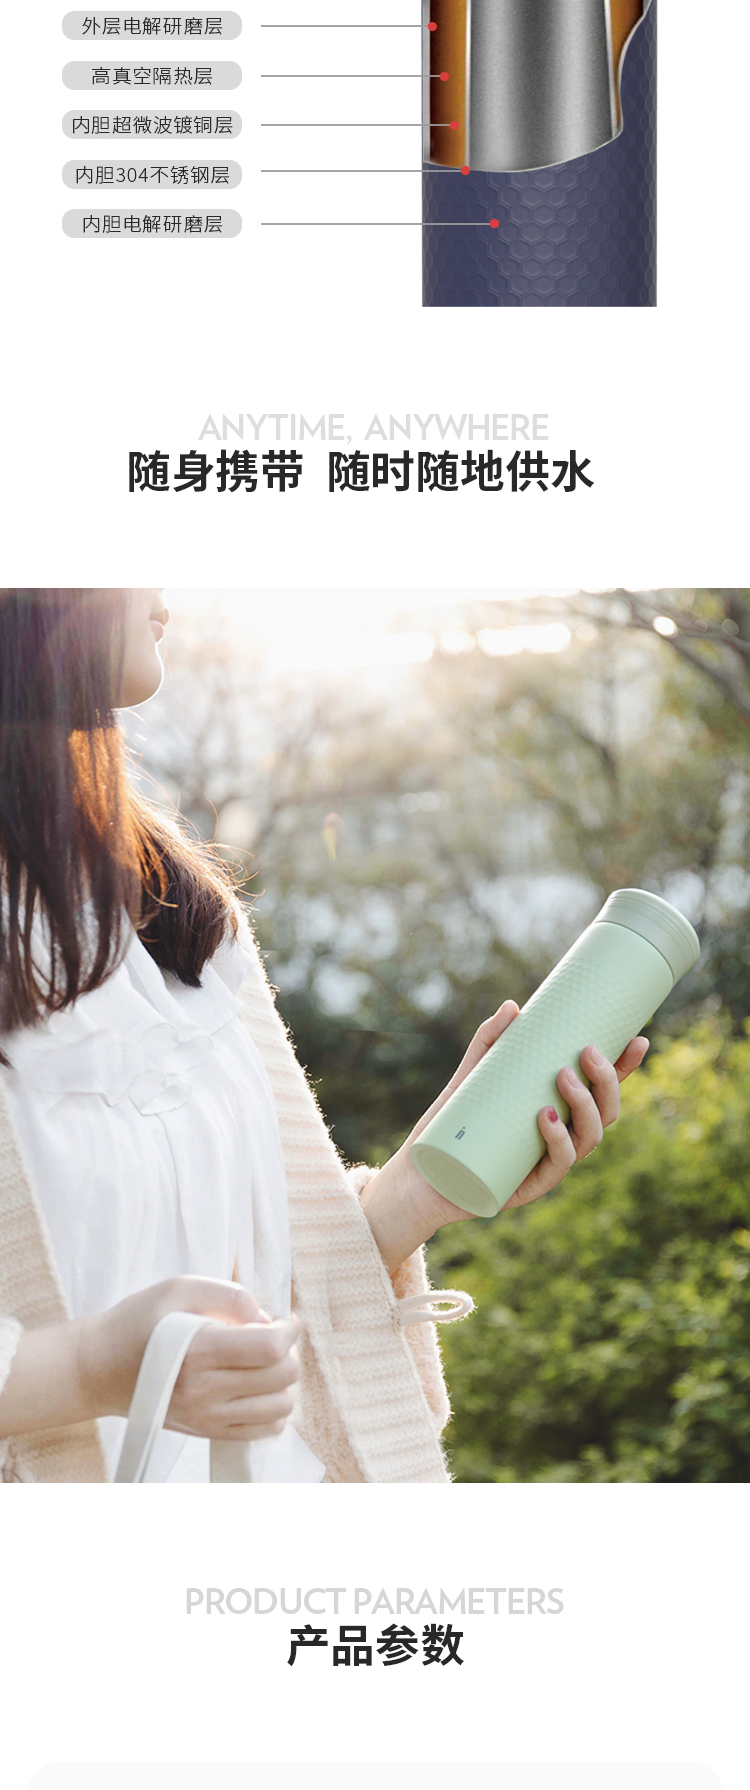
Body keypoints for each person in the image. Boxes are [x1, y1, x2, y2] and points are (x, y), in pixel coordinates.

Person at [0, 589, 648, 1483]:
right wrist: (93, 1367)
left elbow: (267, 1293)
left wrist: (421, 1187)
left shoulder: (174, 908)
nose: (166, 589)